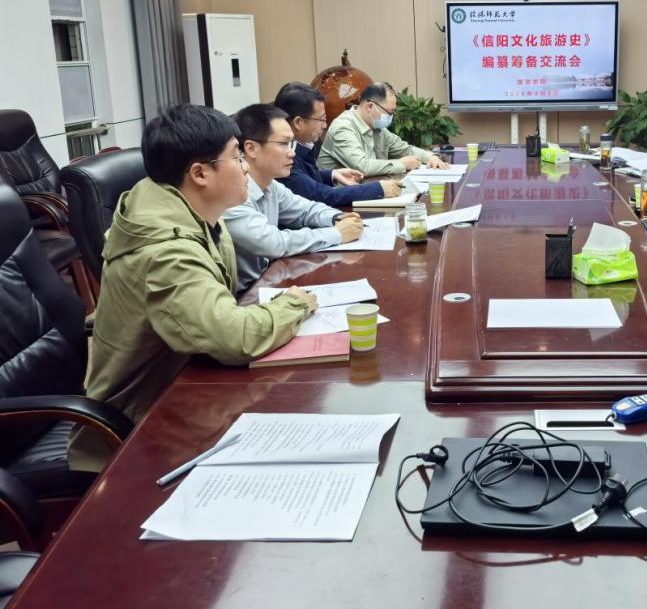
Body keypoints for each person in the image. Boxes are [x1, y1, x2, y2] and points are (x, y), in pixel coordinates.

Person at [69, 105, 318, 472]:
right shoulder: (166, 252)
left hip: (186, 384)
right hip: (136, 431)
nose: (245, 167)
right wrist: (293, 304)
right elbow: (234, 338)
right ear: (200, 174)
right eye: (236, 156)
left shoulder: (195, 213)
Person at [224, 104, 364, 294]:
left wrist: (337, 218)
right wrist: (337, 233)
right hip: (244, 298)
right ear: (251, 148)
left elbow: (307, 210)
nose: (292, 153)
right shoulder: (231, 196)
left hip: (269, 283)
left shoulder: (271, 185)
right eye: (283, 144)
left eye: (291, 144)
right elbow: (274, 243)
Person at [273, 82, 403, 205]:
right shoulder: (284, 156)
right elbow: (319, 195)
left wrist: (332, 174)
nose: (325, 126)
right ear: (298, 123)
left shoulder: (302, 145)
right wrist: (378, 189)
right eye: (321, 119)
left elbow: (304, 179)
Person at [317, 82, 449, 175]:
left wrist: (430, 157)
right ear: (370, 107)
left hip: (367, 191)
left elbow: (405, 149)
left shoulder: (377, 128)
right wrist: (401, 164)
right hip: (339, 200)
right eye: (389, 112)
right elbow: (362, 167)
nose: (391, 117)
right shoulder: (343, 127)